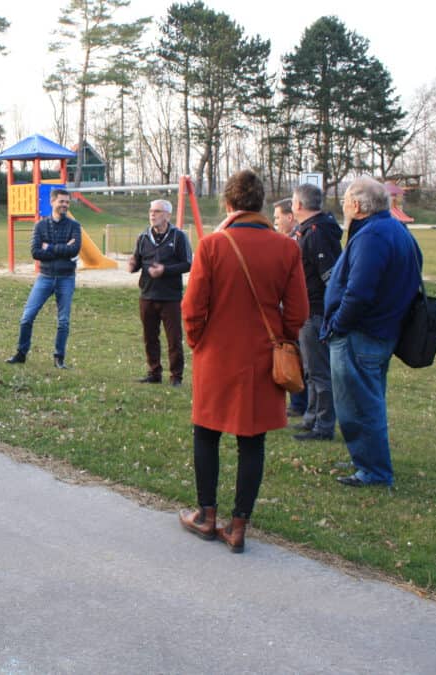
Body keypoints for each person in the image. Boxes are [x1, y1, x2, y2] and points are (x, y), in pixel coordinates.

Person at [178, 169, 308, 553]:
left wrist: (197, 342)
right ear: (261, 203)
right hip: (263, 357)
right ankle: (238, 527)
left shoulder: (213, 246)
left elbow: (192, 306)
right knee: (252, 441)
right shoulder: (287, 248)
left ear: (229, 203)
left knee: (207, 432)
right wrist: (280, 341)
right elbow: (298, 312)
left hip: (216, 355)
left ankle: (206, 515)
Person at [323, 177, 421, 488]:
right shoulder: (394, 230)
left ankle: (374, 472)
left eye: (346, 202)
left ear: (356, 205)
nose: (344, 208)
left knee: (359, 406)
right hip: (379, 332)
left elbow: (359, 292)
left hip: (361, 334)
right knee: (367, 400)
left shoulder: (373, 236)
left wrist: (338, 325)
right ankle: (365, 458)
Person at [6, 188, 82, 369]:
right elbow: (35, 252)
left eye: (67, 202)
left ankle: (59, 358)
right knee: (27, 317)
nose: (64, 205)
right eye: (61, 201)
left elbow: (75, 250)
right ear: (52, 202)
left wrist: (49, 247)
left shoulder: (74, 226)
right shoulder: (40, 226)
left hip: (66, 278)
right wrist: (62, 248)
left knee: (63, 321)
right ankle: (21, 353)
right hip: (45, 277)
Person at [290, 183, 343, 442]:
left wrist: (327, 312)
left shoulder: (318, 232)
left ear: (299, 205)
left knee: (320, 371)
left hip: (316, 310)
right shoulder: (306, 232)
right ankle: (311, 417)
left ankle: (324, 425)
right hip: (307, 309)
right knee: (310, 369)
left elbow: (330, 277)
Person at [127, 199, 192, 386]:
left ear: (167, 215)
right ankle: (154, 372)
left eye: (157, 211)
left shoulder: (178, 237)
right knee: (150, 337)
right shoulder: (143, 237)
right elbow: (138, 261)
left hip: (170, 297)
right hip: (147, 295)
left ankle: (176, 377)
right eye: (151, 211)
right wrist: (132, 266)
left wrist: (165, 270)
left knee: (174, 339)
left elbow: (188, 264)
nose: (152, 215)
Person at [274, 197, 308, 416]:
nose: (275, 222)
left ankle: (301, 403)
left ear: (290, 216)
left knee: (299, 356)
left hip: (300, 310)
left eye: (278, 217)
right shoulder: (289, 240)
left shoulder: (297, 241)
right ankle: (298, 403)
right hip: (290, 309)